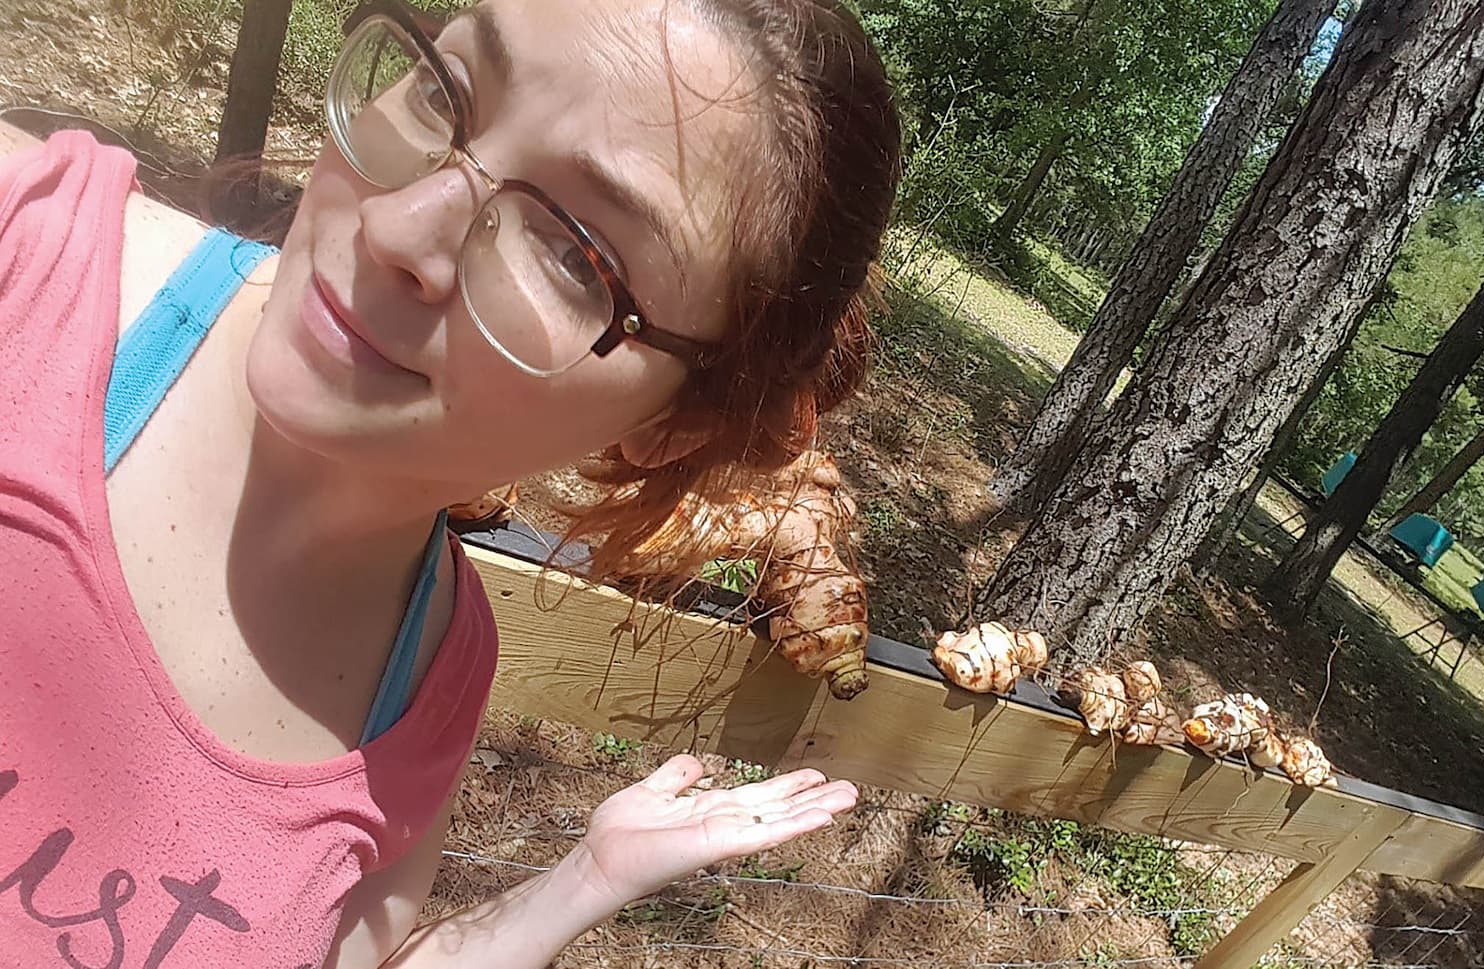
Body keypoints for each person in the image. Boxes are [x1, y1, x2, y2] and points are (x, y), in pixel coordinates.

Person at [0, 0, 900, 965]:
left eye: (572, 253)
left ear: (670, 425)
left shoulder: (430, 679)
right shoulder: (23, 246)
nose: (399, 224)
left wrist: (584, 881)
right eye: (445, 93)